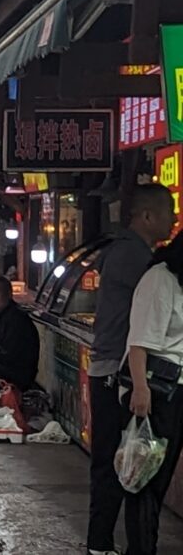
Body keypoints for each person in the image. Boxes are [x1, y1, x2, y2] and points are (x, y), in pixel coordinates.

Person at [87, 183, 176, 555]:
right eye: (169, 213)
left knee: (120, 457)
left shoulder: (128, 251)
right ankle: (100, 542)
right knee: (116, 458)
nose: (173, 221)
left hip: (115, 367)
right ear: (147, 216)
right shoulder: (137, 259)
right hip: (114, 370)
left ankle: (102, 540)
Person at [123, 232, 183, 555]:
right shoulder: (159, 280)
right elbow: (139, 343)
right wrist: (140, 390)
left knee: (160, 475)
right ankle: (142, 550)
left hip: (178, 390)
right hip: (159, 392)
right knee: (147, 478)